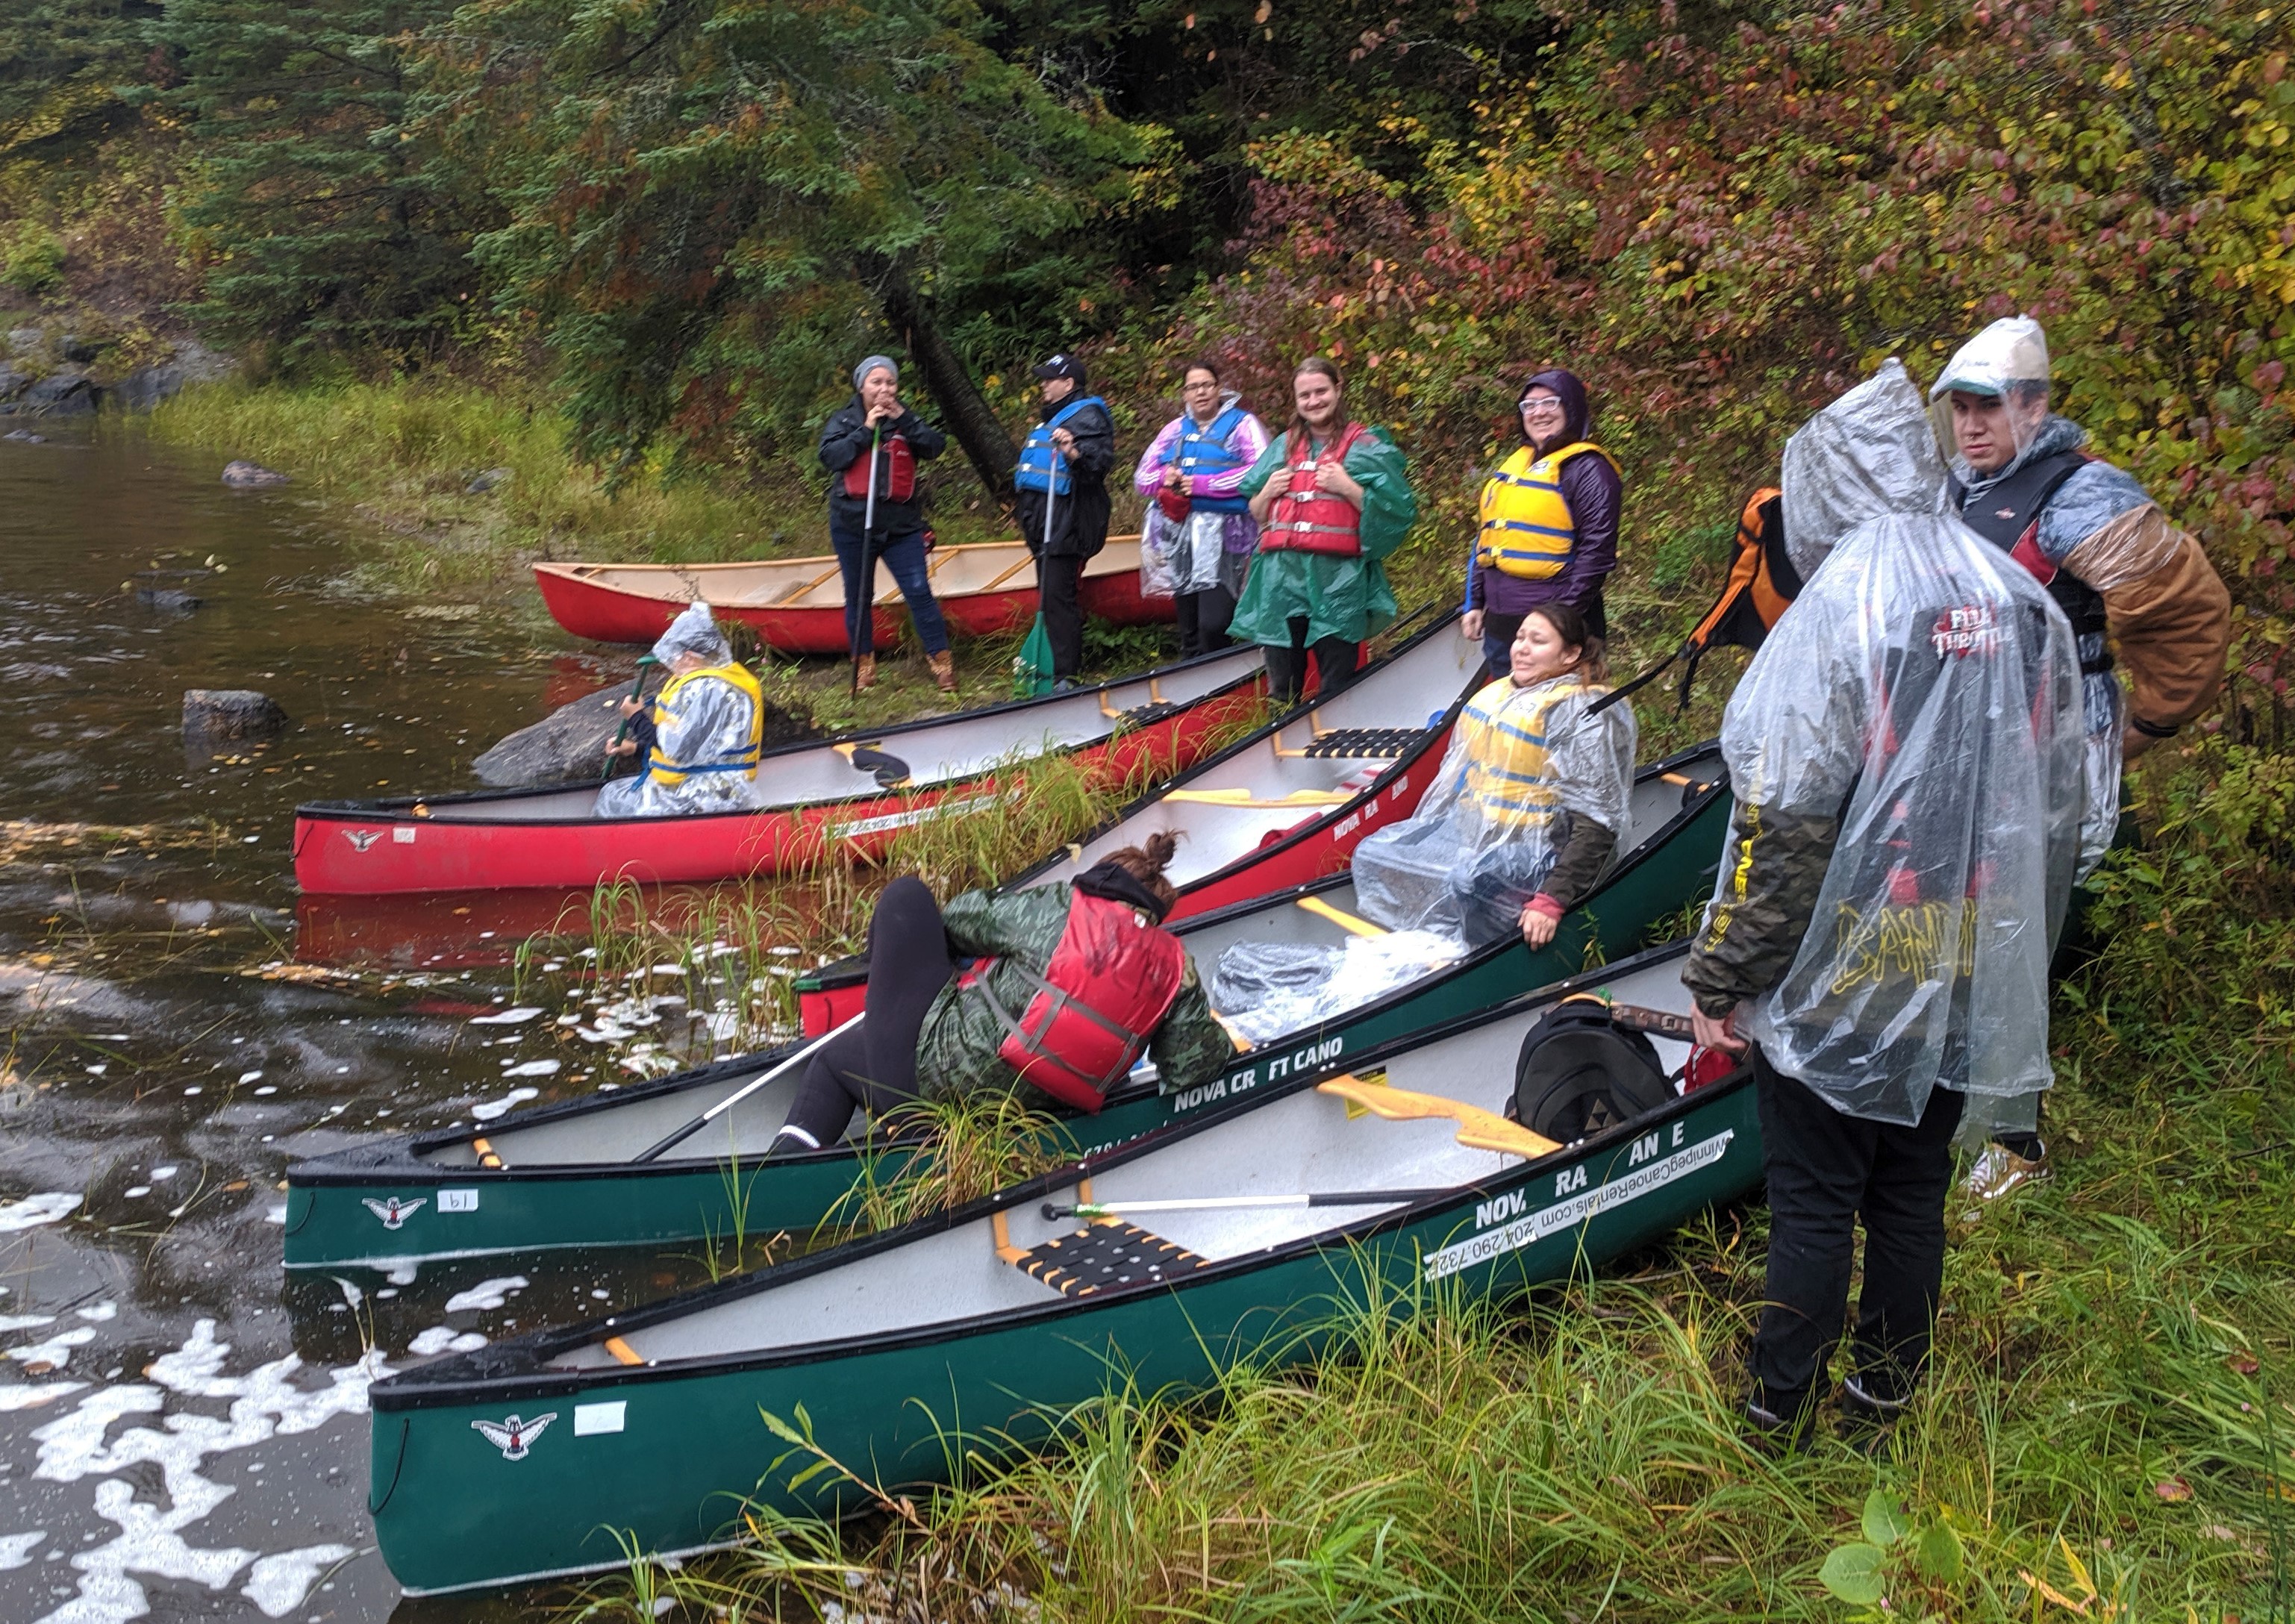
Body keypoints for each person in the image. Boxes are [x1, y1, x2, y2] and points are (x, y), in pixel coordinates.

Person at [1680, 360, 2087, 1448]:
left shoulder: (1836, 612)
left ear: (1825, 486)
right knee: (1908, 1185)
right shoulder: (2006, 594)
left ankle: (1775, 1407)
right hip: (1967, 934)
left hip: (1852, 947)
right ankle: (1882, 1394)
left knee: (1814, 1193)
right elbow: (2058, 796)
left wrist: (1720, 976)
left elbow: (1782, 824)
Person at [1928, 316, 2233, 1197]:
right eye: (1961, 409)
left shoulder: (2081, 494)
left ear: (2034, 403)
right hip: (1959, 748)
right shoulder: (1956, 489)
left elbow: (2185, 610)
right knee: (1957, 927)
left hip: (2050, 751)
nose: (1973, 425)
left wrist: (2148, 728)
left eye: (1989, 407)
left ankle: (2015, 1144)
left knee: (2016, 942)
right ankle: (1948, 1106)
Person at [766, 834, 1235, 1153]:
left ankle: (786, 1168)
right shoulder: (1178, 967)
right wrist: (1221, 1038)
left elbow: (960, 917)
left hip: (934, 1084)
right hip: (1031, 1115)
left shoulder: (1058, 907)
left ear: (1104, 878)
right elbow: (1190, 1065)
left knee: (906, 901)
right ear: (1156, 912)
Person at [1352, 602, 1637, 949]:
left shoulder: (1581, 714)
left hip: (1541, 849)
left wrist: (1552, 899)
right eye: (1520, 637)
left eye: (1538, 641)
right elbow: (1457, 785)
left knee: (1469, 879)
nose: (1522, 648)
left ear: (1570, 654)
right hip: (1478, 832)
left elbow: (1596, 823)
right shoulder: (1504, 695)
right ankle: (1433, 938)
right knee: (1373, 853)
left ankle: (1481, 951)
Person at [1233, 357, 1420, 702]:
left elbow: (1398, 511)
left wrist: (1348, 487)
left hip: (1338, 581)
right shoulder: (1283, 448)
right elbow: (1258, 515)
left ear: (1338, 389)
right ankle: (1278, 741)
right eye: (1305, 395)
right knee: (1281, 686)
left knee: (1336, 682)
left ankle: (1334, 739)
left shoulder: (1367, 447)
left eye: (1321, 391)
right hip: (1281, 582)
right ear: (1296, 400)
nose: (1314, 401)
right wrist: (1266, 493)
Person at [1463, 369, 1622, 677]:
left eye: (1550, 403)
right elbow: (1487, 539)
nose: (1538, 412)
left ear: (1571, 408)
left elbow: (1597, 553)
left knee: (1558, 716)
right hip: (1503, 627)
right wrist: (1473, 601)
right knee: (1511, 717)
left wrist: (1560, 623)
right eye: (1529, 406)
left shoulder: (1589, 470)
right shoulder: (1516, 467)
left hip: (1557, 632)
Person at [817, 355, 955, 694]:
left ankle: (942, 664)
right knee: (859, 595)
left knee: (919, 592)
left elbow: (935, 446)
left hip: (901, 526)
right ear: (862, 386)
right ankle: (864, 665)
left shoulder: (905, 419)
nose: (884, 389)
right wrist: (866, 430)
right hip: (852, 524)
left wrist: (904, 420)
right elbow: (830, 457)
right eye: (876, 382)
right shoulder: (845, 420)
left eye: (890, 383)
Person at [1133, 360, 1273, 657]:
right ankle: (1194, 682)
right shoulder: (1174, 430)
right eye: (1193, 387)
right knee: (1190, 628)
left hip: (1227, 539)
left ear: (1219, 388)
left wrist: (1201, 485)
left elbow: (1260, 472)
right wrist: (1164, 477)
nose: (1201, 392)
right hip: (1180, 538)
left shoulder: (1243, 425)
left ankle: (1224, 671)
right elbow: (1142, 478)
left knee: (1214, 622)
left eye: (1207, 385)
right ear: (1184, 394)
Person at [596, 602, 770, 817]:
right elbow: (699, 748)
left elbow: (679, 751)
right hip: (702, 784)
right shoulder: (715, 682)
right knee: (613, 793)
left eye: (673, 657)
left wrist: (636, 718)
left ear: (689, 656)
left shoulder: (709, 689)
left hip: (706, 796)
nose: (671, 664)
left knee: (610, 798)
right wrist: (635, 748)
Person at [1012, 353, 1116, 691]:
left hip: (1066, 522)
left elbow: (1097, 467)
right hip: (1043, 520)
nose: (1043, 384)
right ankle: (1055, 668)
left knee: (1059, 596)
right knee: (1051, 594)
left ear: (1069, 384)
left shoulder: (1088, 417)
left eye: (1049, 379)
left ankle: (1065, 675)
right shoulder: (1055, 417)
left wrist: (1073, 453)